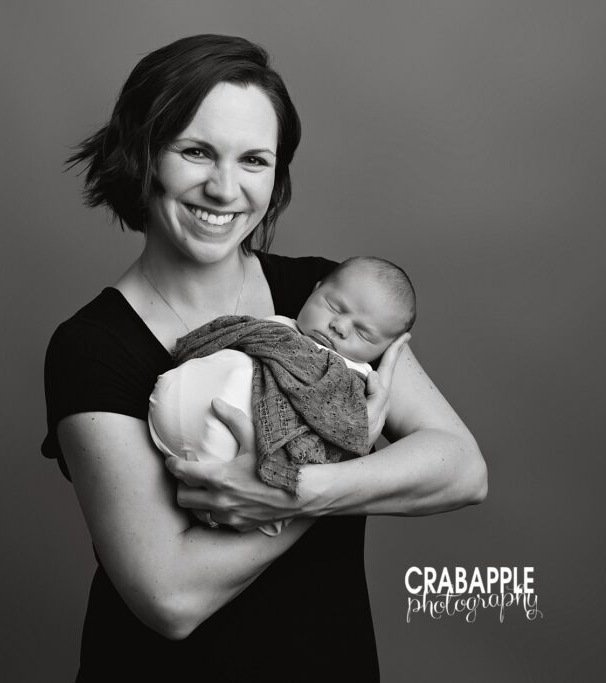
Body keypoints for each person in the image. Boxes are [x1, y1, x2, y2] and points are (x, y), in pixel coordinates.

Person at [42, 34, 487, 681]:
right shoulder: (91, 347)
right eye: (196, 151)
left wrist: (306, 487)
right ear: (142, 155)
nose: (225, 189)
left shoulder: (328, 300)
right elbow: (170, 597)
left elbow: (462, 467)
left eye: (254, 160)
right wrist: (342, 453)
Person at [147, 256, 416, 536]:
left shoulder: (353, 377)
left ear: (385, 349)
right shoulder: (277, 326)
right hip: (165, 426)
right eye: (333, 306)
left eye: (363, 333)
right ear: (315, 289)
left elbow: (336, 429)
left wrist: (356, 427)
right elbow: (229, 333)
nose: (340, 326)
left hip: (234, 465)